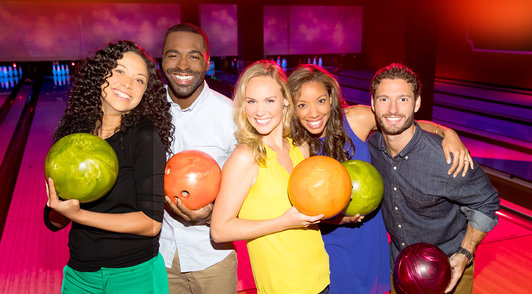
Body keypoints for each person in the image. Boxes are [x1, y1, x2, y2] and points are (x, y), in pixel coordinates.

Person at [287, 64, 473, 294]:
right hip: (330, 240)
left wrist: (446, 133)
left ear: (332, 99)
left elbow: (403, 124)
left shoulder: (357, 119)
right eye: (302, 105)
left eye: (321, 101)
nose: (313, 113)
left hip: (368, 236)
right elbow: (295, 209)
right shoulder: (293, 145)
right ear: (291, 107)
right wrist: (336, 220)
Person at [43, 40, 173, 293]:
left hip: (134, 274)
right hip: (80, 274)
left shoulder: (144, 137)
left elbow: (151, 223)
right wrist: (58, 210)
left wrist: (79, 215)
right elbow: (54, 220)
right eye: (120, 71)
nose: (127, 84)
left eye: (139, 80)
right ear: (101, 72)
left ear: (145, 92)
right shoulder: (74, 133)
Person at [367, 63, 499, 294]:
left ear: (417, 103)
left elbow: (486, 201)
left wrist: (464, 253)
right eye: (384, 99)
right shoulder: (371, 148)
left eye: (403, 99)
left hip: (449, 267)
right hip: (399, 265)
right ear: (373, 104)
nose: (393, 109)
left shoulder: (446, 159)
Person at [211, 60, 331, 294]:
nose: (259, 111)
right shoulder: (245, 157)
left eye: (269, 101)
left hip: (320, 273)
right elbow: (219, 230)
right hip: (283, 285)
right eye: (251, 101)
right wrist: (282, 222)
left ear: (285, 100)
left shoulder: (300, 147)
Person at [158, 23, 240, 294]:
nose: (183, 65)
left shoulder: (230, 116)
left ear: (207, 62)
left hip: (211, 256)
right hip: (158, 253)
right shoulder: (145, 110)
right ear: (162, 60)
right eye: (173, 55)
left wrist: (211, 215)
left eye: (193, 56)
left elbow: (248, 188)